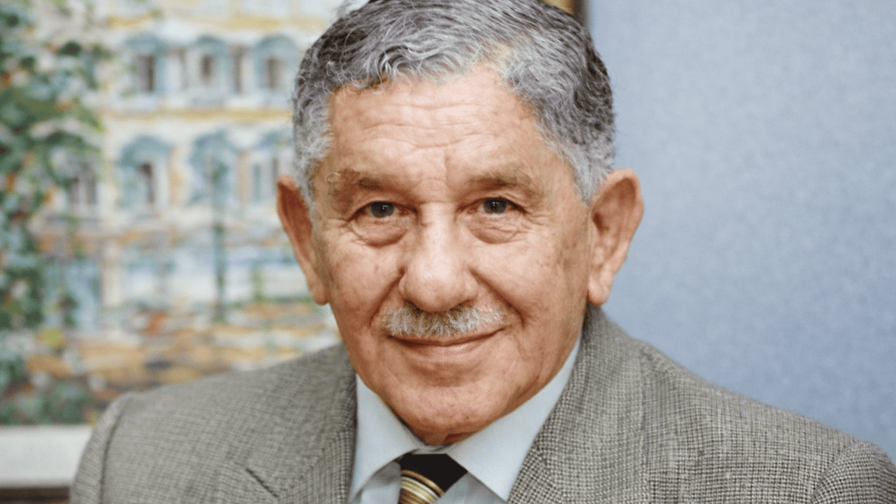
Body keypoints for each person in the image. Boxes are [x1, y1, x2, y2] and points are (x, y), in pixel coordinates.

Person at [72, 1, 896, 502]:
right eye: (380, 209)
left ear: (603, 234)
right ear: (306, 238)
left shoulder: (809, 490)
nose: (434, 283)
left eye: (496, 206)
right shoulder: (139, 463)